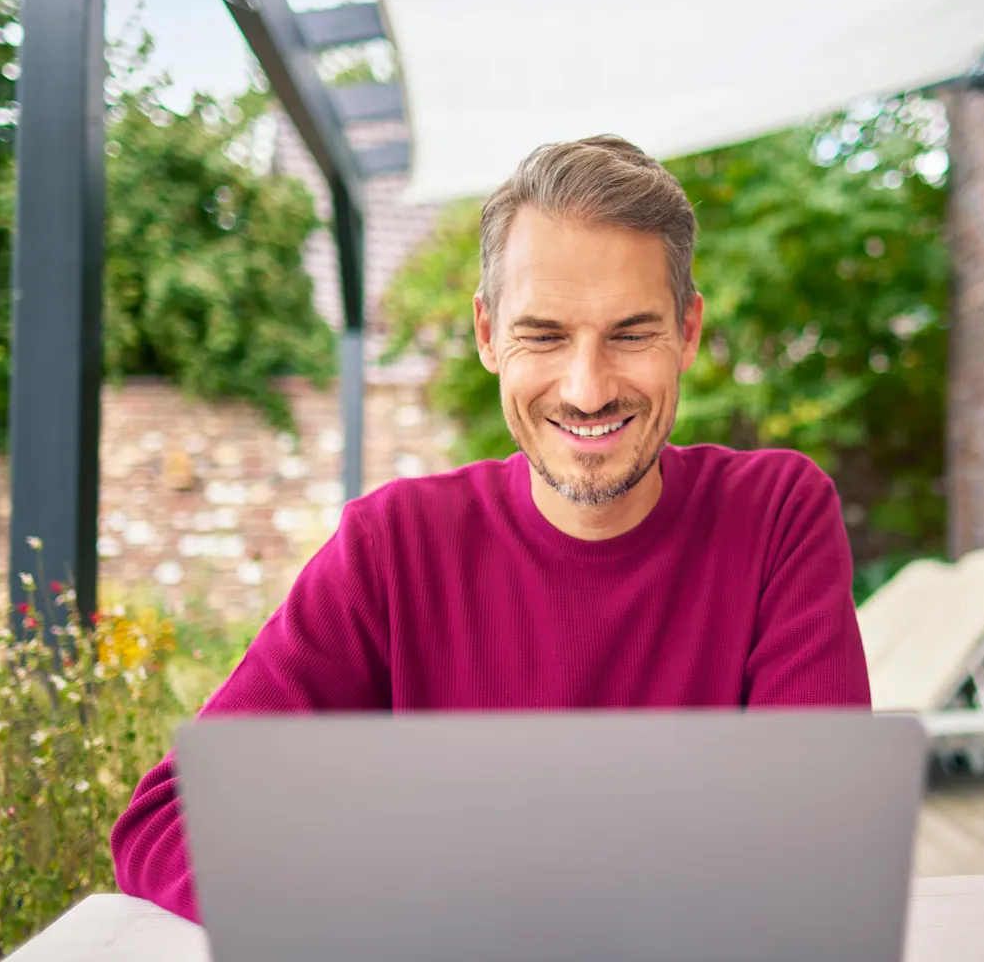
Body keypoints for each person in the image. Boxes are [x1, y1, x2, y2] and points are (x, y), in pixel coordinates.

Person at [110, 135, 872, 922]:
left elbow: (815, 835)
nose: (587, 388)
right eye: (543, 335)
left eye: (631, 333)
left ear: (686, 332)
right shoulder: (393, 548)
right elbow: (169, 818)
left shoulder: (777, 515)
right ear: (485, 334)